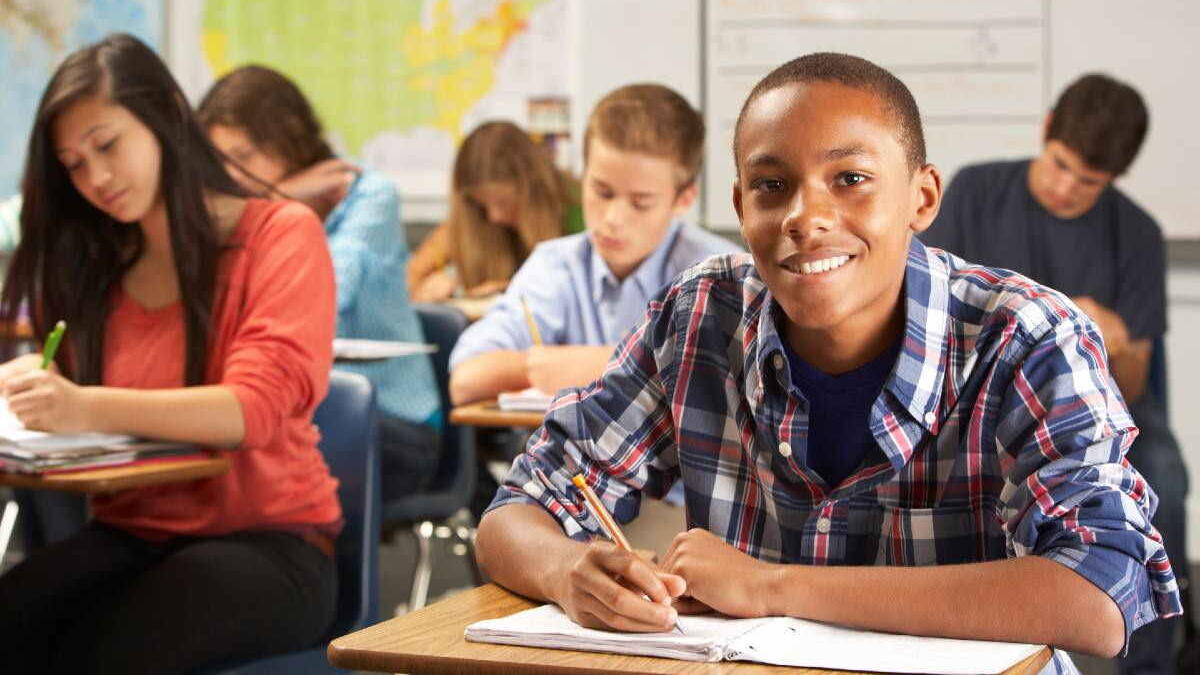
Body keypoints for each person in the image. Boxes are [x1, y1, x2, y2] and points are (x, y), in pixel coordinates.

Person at [473, 53, 1182, 673]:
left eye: (850, 177)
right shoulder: (698, 320)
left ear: (922, 197)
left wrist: (773, 586)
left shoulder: (1030, 338)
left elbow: (1098, 595)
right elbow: (518, 510)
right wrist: (570, 571)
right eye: (771, 186)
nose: (804, 217)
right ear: (740, 206)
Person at [0, 34, 340, 673]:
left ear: (163, 120)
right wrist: (33, 400)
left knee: (112, 651)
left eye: (107, 145)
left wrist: (83, 406)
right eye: (73, 163)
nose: (95, 178)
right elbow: (78, 426)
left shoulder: (281, 235)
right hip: (131, 536)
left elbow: (251, 411)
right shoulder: (95, 262)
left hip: (270, 546)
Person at [921, 73, 1191, 673]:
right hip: (982, 391)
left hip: (1097, 403)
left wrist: (1113, 335)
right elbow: (931, 315)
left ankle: (1147, 662)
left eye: (1088, 182)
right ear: (1046, 132)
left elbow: (1138, 382)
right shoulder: (975, 192)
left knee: (1164, 482)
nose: (1068, 188)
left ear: (1115, 179)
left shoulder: (1137, 233)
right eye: (1062, 165)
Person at [199, 65, 442, 499]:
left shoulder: (369, 193)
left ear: (288, 144)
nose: (230, 176)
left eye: (244, 156)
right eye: (218, 161)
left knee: (261, 458)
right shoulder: (230, 215)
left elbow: (322, 296)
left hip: (392, 421)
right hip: (297, 414)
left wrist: (277, 206)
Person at [448, 84, 740, 407]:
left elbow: (743, 389)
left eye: (640, 202)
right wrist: (537, 366)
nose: (612, 218)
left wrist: (599, 364)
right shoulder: (555, 266)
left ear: (683, 199)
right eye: (601, 192)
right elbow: (465, 379)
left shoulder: (721, 276)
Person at [407, 120, 584, 302]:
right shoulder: (471, 220)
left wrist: (510, 292)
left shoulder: (579, 208)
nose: (494, 216)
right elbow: (409, 279)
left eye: (503, 203)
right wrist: (432, 290)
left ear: (531, 188)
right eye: (482, 205)